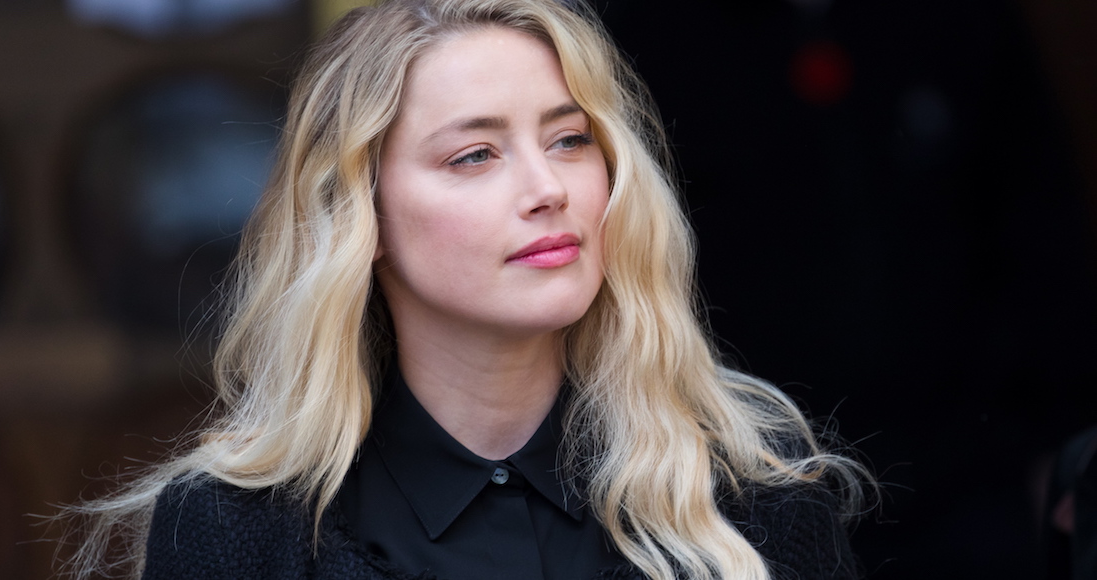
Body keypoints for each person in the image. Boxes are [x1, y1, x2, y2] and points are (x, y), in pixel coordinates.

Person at [60, 0, 871, 578]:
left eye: (569, 139)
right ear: (363, 215)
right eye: (474, 155)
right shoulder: (234, 532)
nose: (546, 188)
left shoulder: (756, 505)